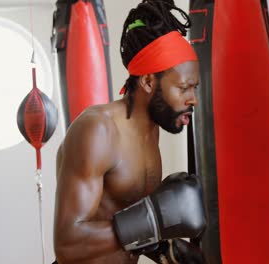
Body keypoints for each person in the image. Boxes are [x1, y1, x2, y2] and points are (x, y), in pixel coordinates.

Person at [53, 1, 206, 263]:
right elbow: (67, 244)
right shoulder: (98, 130)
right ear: (148, 81)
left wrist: (163, 250)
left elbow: (124, 222)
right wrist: (156, 219)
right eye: (183, 88)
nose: (193, 99)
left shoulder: (152, 131)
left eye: (195, 88)